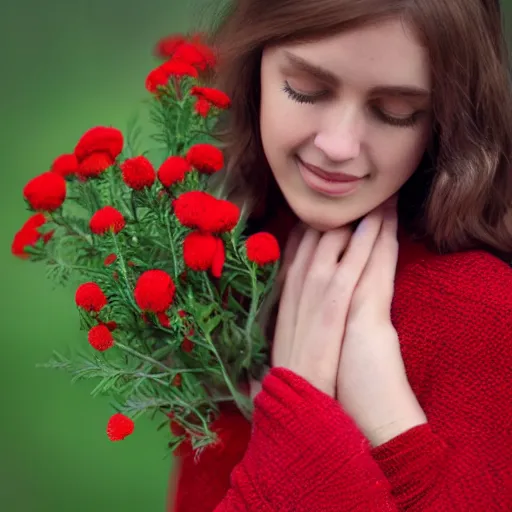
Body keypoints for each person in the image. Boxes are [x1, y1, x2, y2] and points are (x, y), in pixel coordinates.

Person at [168, 0, 512, 510]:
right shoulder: (224, 269)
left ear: (443, 118)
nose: (338, 145)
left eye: (396, 111)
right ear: (254, 65)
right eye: (306, 89)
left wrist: (383, 423)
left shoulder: (483, 313)